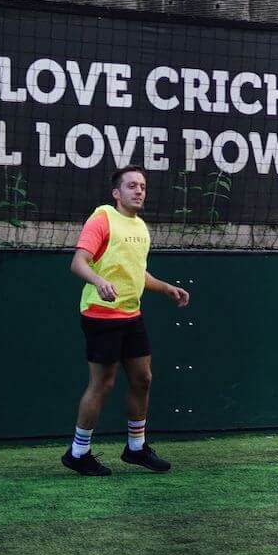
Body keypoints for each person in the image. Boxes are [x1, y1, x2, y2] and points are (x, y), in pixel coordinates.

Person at [64, 165, 191, 476]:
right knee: (103, 383)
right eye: (132, 185)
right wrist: (98, 281)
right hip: (100, 315)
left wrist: (166, 288)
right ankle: (78, 452)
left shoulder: (141, 228)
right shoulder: (103, 218)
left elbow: (138, 275)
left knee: (143, 379)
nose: (138, 191)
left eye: (143, 186)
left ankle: (136, 448)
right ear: (116, 193)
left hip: (131, 314)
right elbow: (78, 262)